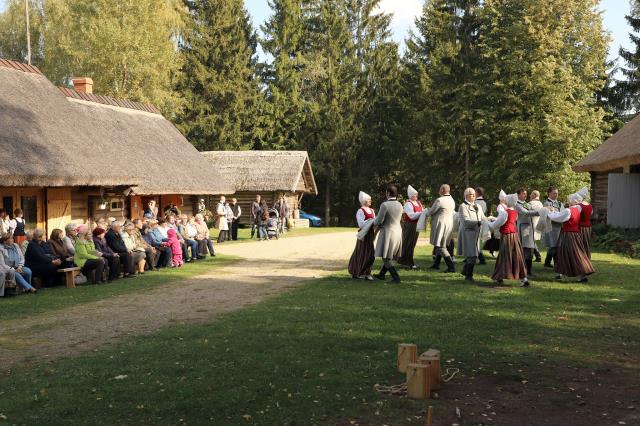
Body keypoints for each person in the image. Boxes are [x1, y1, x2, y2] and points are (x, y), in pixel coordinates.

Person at [548, 193, 595, 282]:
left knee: (570, 254)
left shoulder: (568, 210)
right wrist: (554, 211)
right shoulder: (576, 210)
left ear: (573, 201)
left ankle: (580, 274)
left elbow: (558, 218)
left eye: (569, 199)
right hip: (575, 234)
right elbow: (561, 215)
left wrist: (549, 212)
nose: (568, 201)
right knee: (571, 254)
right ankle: (563, 274)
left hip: (568, 235)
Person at [489, 194, 530, 287]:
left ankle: (500, 276)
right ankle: (523, 278)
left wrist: (487, 222)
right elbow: (507, 221)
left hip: (507, 236)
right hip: (514, 235)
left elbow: (497, 224)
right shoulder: (515, 212)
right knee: (517, 256)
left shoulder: (505, 212)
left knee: (505, 255)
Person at [374, 185, 403, 283]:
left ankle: (396, 277)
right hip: (398, 231)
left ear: (388, 193)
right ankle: (382, 274)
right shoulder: (400, 204)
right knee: (390, 255)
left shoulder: (385, 205)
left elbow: (379, 220)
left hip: (388, 232)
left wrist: (370, 222)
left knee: (385, 257)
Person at [458, 188, 486, 282]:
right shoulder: (463, 206)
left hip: (476, 232)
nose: (474, 196)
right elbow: (466, 221)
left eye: (474, 194)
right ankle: (468, 276)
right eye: (471, 194)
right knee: (472, 255)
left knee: (474, 254)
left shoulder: (478, 205)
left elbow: (482, 217)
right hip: (468, 232)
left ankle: (465, 271)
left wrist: (490, 219)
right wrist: (478, 222)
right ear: (466, 195)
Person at [348, 191, 376, 280]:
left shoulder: (372, 210)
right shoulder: (360, 211)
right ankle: (358, 272)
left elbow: (374, 222)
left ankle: (367, 272)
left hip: (370, 234)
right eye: (369, 199)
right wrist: (371, 221)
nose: (370, 201)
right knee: (361, 252)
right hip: (364, 235)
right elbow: (361, 224)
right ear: (364, 201)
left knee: (370, 253)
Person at [429, 184, 457, 272]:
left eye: (440, 189)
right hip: (449, 224)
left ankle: (451, 266)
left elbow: (431, 212)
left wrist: (426, 210)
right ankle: (436, 264)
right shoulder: (452, 200)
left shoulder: (439, 200)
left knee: (441, 246)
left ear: (442, 190)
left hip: (441, 224)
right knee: (440, 244)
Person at [398, 185, 424, 269]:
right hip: (409, 225)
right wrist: (422, 213)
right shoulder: (408, 204)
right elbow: (412, 216)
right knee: (407, 243)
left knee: (412, 243)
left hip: (416, 225)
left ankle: (408, 261)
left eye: (416, 194)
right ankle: (406, 261)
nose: (416, 196)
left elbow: (422, 212)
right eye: (414, 194)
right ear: (410, 195)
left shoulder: (419, 203)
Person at [515, 188, 540, 276]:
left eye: (525, 194)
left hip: (529, 229)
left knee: (530, 250)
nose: (525, 195)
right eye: (523, 194)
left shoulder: (526, 203)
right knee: (524, 250)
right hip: (523, 229)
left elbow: (531, 211)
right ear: (518, 195)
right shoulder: (517, 204)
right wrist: (540, 212)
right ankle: (521, 270)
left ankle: (528, 271)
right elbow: (525, 213)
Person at [542, 186, 564, 268]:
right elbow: (549, 214)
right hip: (551, 227)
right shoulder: (546, 203)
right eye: (554, 193)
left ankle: (553, 264)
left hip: (559, 227)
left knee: (557, 246)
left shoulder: (559, 203)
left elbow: (563, 212)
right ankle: (549, 263)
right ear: (549, 193)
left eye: (557, 193)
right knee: (553, 245)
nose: (556, 195)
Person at [483, 190, 507, 257]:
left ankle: (498, 252)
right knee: (496, 239)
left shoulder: (506, 206)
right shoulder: (500, 206)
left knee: (497, 239)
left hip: (501, 224)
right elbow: (501, 217)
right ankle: (494, 251)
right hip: (499, 224)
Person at [576, 188, 593, 259]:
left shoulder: (579, 206)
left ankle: (581, 259)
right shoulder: (590, 206)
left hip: (581, 227)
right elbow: (591, 214)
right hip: (588, 227)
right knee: (586, 243)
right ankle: (587, 258)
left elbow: (575, 216)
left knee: (580, 243)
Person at [529, 190, 544, 262]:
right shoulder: (541, 204)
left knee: (530, 242)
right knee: (532, 241)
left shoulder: (531, 203)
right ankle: (538, 256)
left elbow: (524, 211)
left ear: (534, 195)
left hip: (530, 224)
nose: (529, 196)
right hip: (537, 224)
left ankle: (535, 256)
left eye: (531, 194)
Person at [474, 188, 488, 265]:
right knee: (475, 242)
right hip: (481, 223)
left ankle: (481, 259)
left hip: (476, 223)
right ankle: (471, 257)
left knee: (475, 242)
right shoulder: (484, 202)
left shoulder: (476, 202)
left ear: (477, 193)